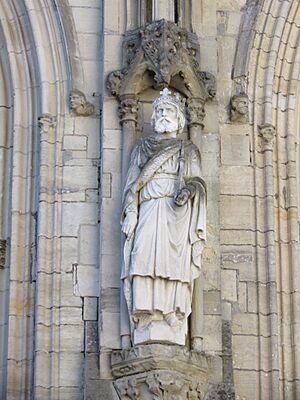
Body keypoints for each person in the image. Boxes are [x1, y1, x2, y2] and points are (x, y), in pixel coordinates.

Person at [121, 88, 206, 344]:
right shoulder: (141, 149)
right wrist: (131, 213)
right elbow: (131, 186)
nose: (163, 114)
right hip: (149, 207)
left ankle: (173, 312)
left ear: (179, 117)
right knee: (143, 257)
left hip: (176, 212)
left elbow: (198, 181)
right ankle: (146, 313)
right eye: (159, 110)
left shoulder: (187, 149)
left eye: (169, 110)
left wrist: (189, 191)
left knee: (173, 264)